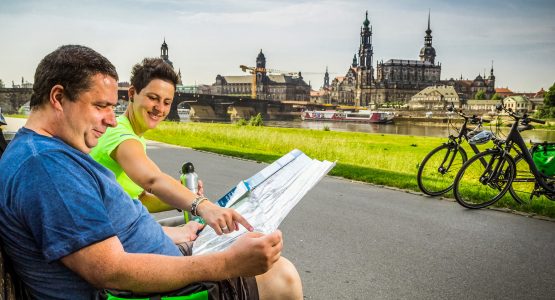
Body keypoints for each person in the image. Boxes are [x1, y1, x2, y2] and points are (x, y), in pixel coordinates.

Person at [0, 45, 302, 299]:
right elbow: (111, 270)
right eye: (101, 106)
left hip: (155, 271)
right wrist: (226, 263)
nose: (111, 120)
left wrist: (175, 235)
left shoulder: (50, 153)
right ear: (57, 98)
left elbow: (109, 230)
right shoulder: (47, 169)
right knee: (281, 276)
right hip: (144, 293)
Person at [90, 57, 242, 238]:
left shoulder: (134, 135)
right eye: (153, 98)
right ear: (132, 93)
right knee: (222, 237)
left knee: (214, 229)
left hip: (121, 226)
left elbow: (140, 201)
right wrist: (202, 205)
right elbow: (153, 180)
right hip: (112, 236)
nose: (159, 108)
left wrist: (180, 196)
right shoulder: (119, 134)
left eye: (167, 102)